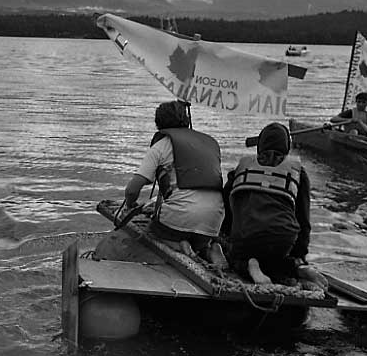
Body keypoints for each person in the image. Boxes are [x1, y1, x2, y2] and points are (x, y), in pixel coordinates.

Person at [117, 100, 226, 263]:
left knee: (151, 231)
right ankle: (209, 248)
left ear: (158, 124)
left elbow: (132, 190)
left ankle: (177, 245)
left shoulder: (160, 147)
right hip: (213, 222)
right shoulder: (211, 143)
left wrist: (129, 205)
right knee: (198, 234)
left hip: (179, 221)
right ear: (187, 121)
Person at [222, 122, 327, 291]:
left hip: (246, 238)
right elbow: (303, 220)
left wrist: (225, 237)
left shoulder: (241, 169)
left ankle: (248, 265)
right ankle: (296, 267)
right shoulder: (299, 172)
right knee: (276, 259)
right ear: (287, 147)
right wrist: (300, 255)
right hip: (282, 240)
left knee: (232, 255)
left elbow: (226, 209)